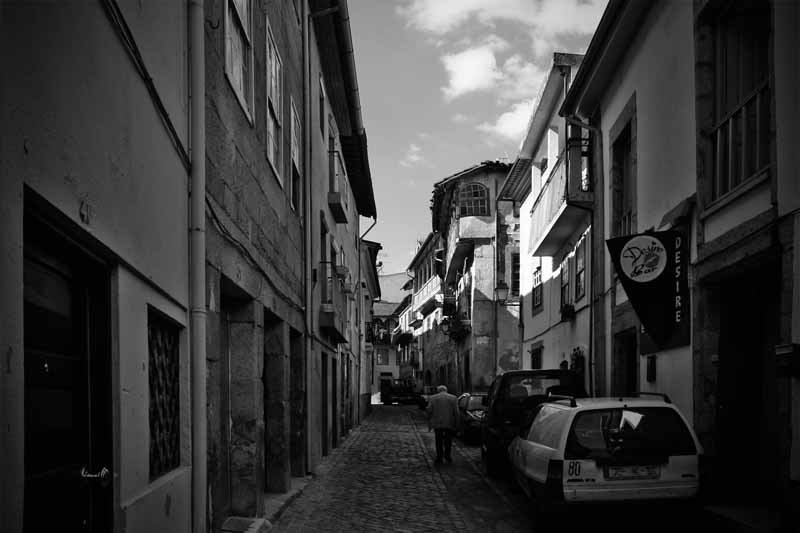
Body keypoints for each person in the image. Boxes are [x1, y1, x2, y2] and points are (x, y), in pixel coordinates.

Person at [425, 384, 460, 464]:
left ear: (438, 390)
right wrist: (457, 423)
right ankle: (447, 456)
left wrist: (429, 417)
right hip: (449, 422)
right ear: (446, 390)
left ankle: (439, 457)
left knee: (438, 440)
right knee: (448, 440)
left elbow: (429, 410)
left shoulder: (433, 398)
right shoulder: (453, 398)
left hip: (437, 423)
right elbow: (456, 412)